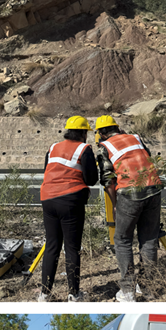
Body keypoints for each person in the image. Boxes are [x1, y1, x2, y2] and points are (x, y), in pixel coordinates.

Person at [95, 115, 163, 303]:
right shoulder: (136, 138)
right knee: (149, 239)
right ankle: (148, 288)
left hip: (130, 192)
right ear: (117, 128)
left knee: (123, 239)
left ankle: (128, 291)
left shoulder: (105, 147)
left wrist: (116, 204)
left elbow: (108, 179)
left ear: (101, 133)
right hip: (154, 189)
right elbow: (147, 158)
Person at [38, 116, 98, 302]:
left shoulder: (53, 147)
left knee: (52, 246)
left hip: (48, 198)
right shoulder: (84, 149)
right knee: (71, 248)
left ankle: (44, 294)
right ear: (83, 132)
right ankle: (73, 294)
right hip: (70, 200)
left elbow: (47, 171)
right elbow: (90, 180)